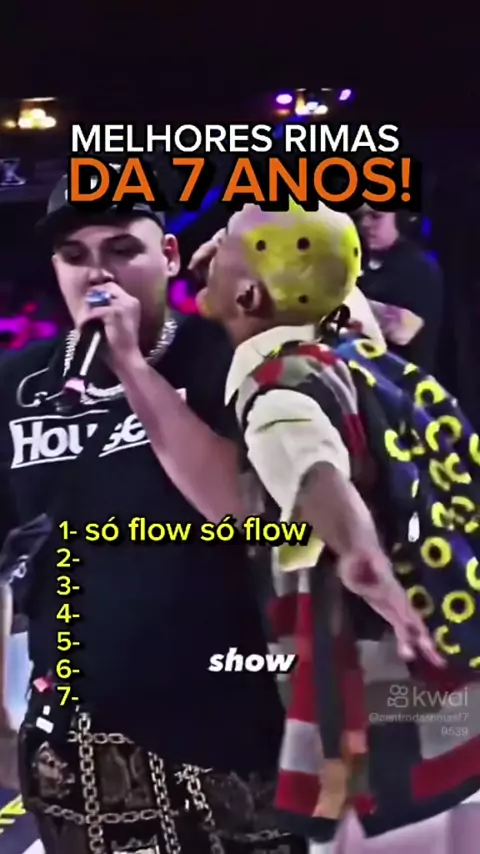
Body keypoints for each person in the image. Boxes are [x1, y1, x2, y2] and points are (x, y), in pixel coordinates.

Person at [0, 176, 308, 853]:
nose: (98, 274)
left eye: (121, 249)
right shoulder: (17, 387)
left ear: (169, 256)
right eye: (74, 256)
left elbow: (242, 510)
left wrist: (134, 371)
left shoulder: (229, 359)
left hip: (231, 732)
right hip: (80, 745)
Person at [191, 201, 480, 853]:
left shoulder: (280, 394)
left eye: (226, 240)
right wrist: (237, 267)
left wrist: (363, 562)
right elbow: (326, 275)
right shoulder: (350, 343)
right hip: (452, 684)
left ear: (252, 294)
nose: (212, 243)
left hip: (382, 699)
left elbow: (318, 476)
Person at [354, 207, 444, 372]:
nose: (365, 223)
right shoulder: (358, 260)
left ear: (400, 218)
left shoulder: (419, 266)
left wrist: (352, 303)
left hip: (403, 379)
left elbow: (405, 331)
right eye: (360, 216)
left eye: (375, 216)